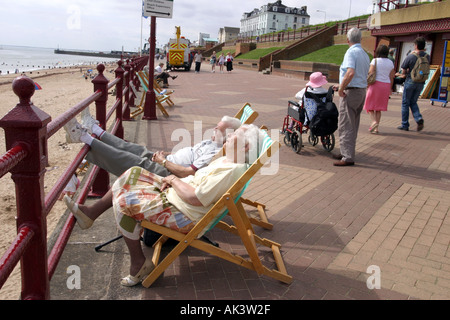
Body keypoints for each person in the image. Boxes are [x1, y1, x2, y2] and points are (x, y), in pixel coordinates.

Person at [63, 124, 263, 287]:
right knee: (133, 172)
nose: (229, 135)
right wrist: (174, 181)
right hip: (177, 198)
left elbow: (195, 198)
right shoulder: (226, 161)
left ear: (245, 147)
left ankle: (138, 262)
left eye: (235, 134)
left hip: (184, 214)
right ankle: (91, 213)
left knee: (124, 201)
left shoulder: (229, 170)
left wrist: (174, 180)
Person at [63, 109, 242, 179]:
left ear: (228, 136)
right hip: (168, 162)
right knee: (134, 149)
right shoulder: (214, 142)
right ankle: (95, 129)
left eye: (217, 129)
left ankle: (83, 138)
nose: (213, 131)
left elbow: (188, 172)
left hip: (169, 173)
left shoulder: (216, 153)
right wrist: (165, 158)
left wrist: (163, 162)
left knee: (129, 159)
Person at [333, 28, 370, 167]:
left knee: (345, 124)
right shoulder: (365, 54)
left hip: (351, 92)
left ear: (348, 40)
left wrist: (342, 88)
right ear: (361, 39)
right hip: (360, 91)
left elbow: (350, 73)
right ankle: (346, 151)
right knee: (353, 123)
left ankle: (347, 156)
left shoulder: (351, 52)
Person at [396, 37, 428, 132]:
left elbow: (404, 70)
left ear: (416, 45)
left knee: (405, 103)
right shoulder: (427, 56)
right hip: (421, 82)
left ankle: (405, 124)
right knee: (413, 102)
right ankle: (418, 118)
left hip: (410, 81)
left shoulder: (411, 56)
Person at [363, 44, 395, 134]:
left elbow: (370, 72)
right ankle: (376, 128)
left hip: (375, 84)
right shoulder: (390, 62)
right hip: (386, 85)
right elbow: (392, 76)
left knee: (369, 105)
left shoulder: (375, 61)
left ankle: (374, 122)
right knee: (379, 108)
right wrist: (390, 88)